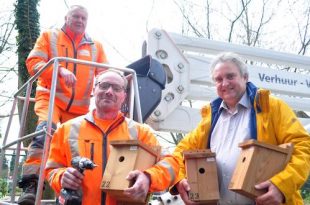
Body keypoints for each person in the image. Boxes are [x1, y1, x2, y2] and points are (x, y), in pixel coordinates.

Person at [171, 52, 310, 205]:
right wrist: (180, 180)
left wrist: (282, 186)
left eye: (230, 76)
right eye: (218, 79)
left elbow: (303, 147)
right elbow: (179, 153)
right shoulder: (210, 119)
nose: (224, 83)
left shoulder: (271, 107)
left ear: (245, 77)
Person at [44, 70, 179, 205]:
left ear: (124, 96)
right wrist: (60, 177)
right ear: (94, 90)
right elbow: (51, 169)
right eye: (104, 85)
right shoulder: (66, 129)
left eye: (116, 88)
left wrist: (149, 178)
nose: (109, 91)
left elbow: (171, 164)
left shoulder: (140, 132)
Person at [18, 5, 108, 204]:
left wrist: (117, 85)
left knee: (77, 147)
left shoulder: (95, 47)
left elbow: (104, 73)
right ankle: (31, 185)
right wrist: (58, 69)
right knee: (45, 133)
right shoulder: (49, 36)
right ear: (66, 18)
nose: (80, 20)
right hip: (50, 99)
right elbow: (33, 62)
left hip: (79, 108)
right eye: (76, 16)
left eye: (84, 18)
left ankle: (71, 191)